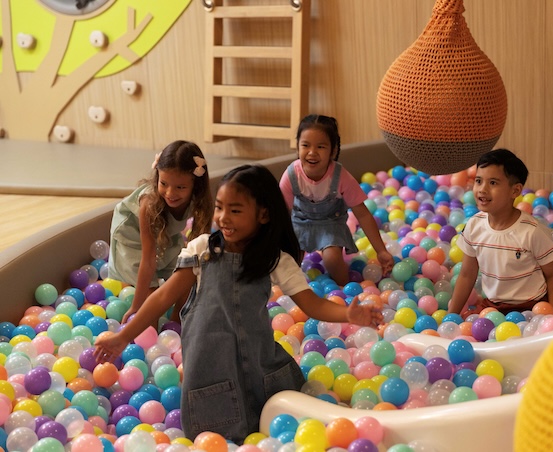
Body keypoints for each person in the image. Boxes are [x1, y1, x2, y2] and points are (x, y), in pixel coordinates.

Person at [95, 164, 383, 443]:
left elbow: (312, 304)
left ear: (263, 215)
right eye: (219, 208)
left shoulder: (274, 259)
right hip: (209, 368)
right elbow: (163, 296)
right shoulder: (203, 250)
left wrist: (348, 314)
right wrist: (123, 336)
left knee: (271, 426)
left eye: (235, 210)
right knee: (213, 436)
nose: (223, 218)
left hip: (257, 363)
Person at [279, 114, 394, 285]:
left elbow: (362, 214)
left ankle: (342, 287)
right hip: (299, 222)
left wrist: (381, 251)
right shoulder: (291, 175)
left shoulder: (341, 177)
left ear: (332, 151)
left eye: (320, 147)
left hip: (330, 224)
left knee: (332, 259)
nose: (312, 152)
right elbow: (281, 214)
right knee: (288, 262)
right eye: (305, 145)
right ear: (297, 147)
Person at [447, 149, 553, 317]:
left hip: (531, 307)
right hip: (493, 307)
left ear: (515, 191)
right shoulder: (474, 225)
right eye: (479, 181)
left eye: (493, 183)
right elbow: (467, 275)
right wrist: (451, 316)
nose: (482, 189)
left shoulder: (531, 231)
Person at [108, 140, 213, 323]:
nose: (170, 193)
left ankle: (176, 324)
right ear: (157, 176)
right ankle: (149, 336)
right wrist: (136, 306)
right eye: (163, 183)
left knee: (187, 279)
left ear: (195, 186)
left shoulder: (202, 202)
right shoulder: (149, 203)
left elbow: (198, 253)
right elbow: (148, 260)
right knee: (152, 299)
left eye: (180, 187)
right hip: (133, 239)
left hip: (165, 236)